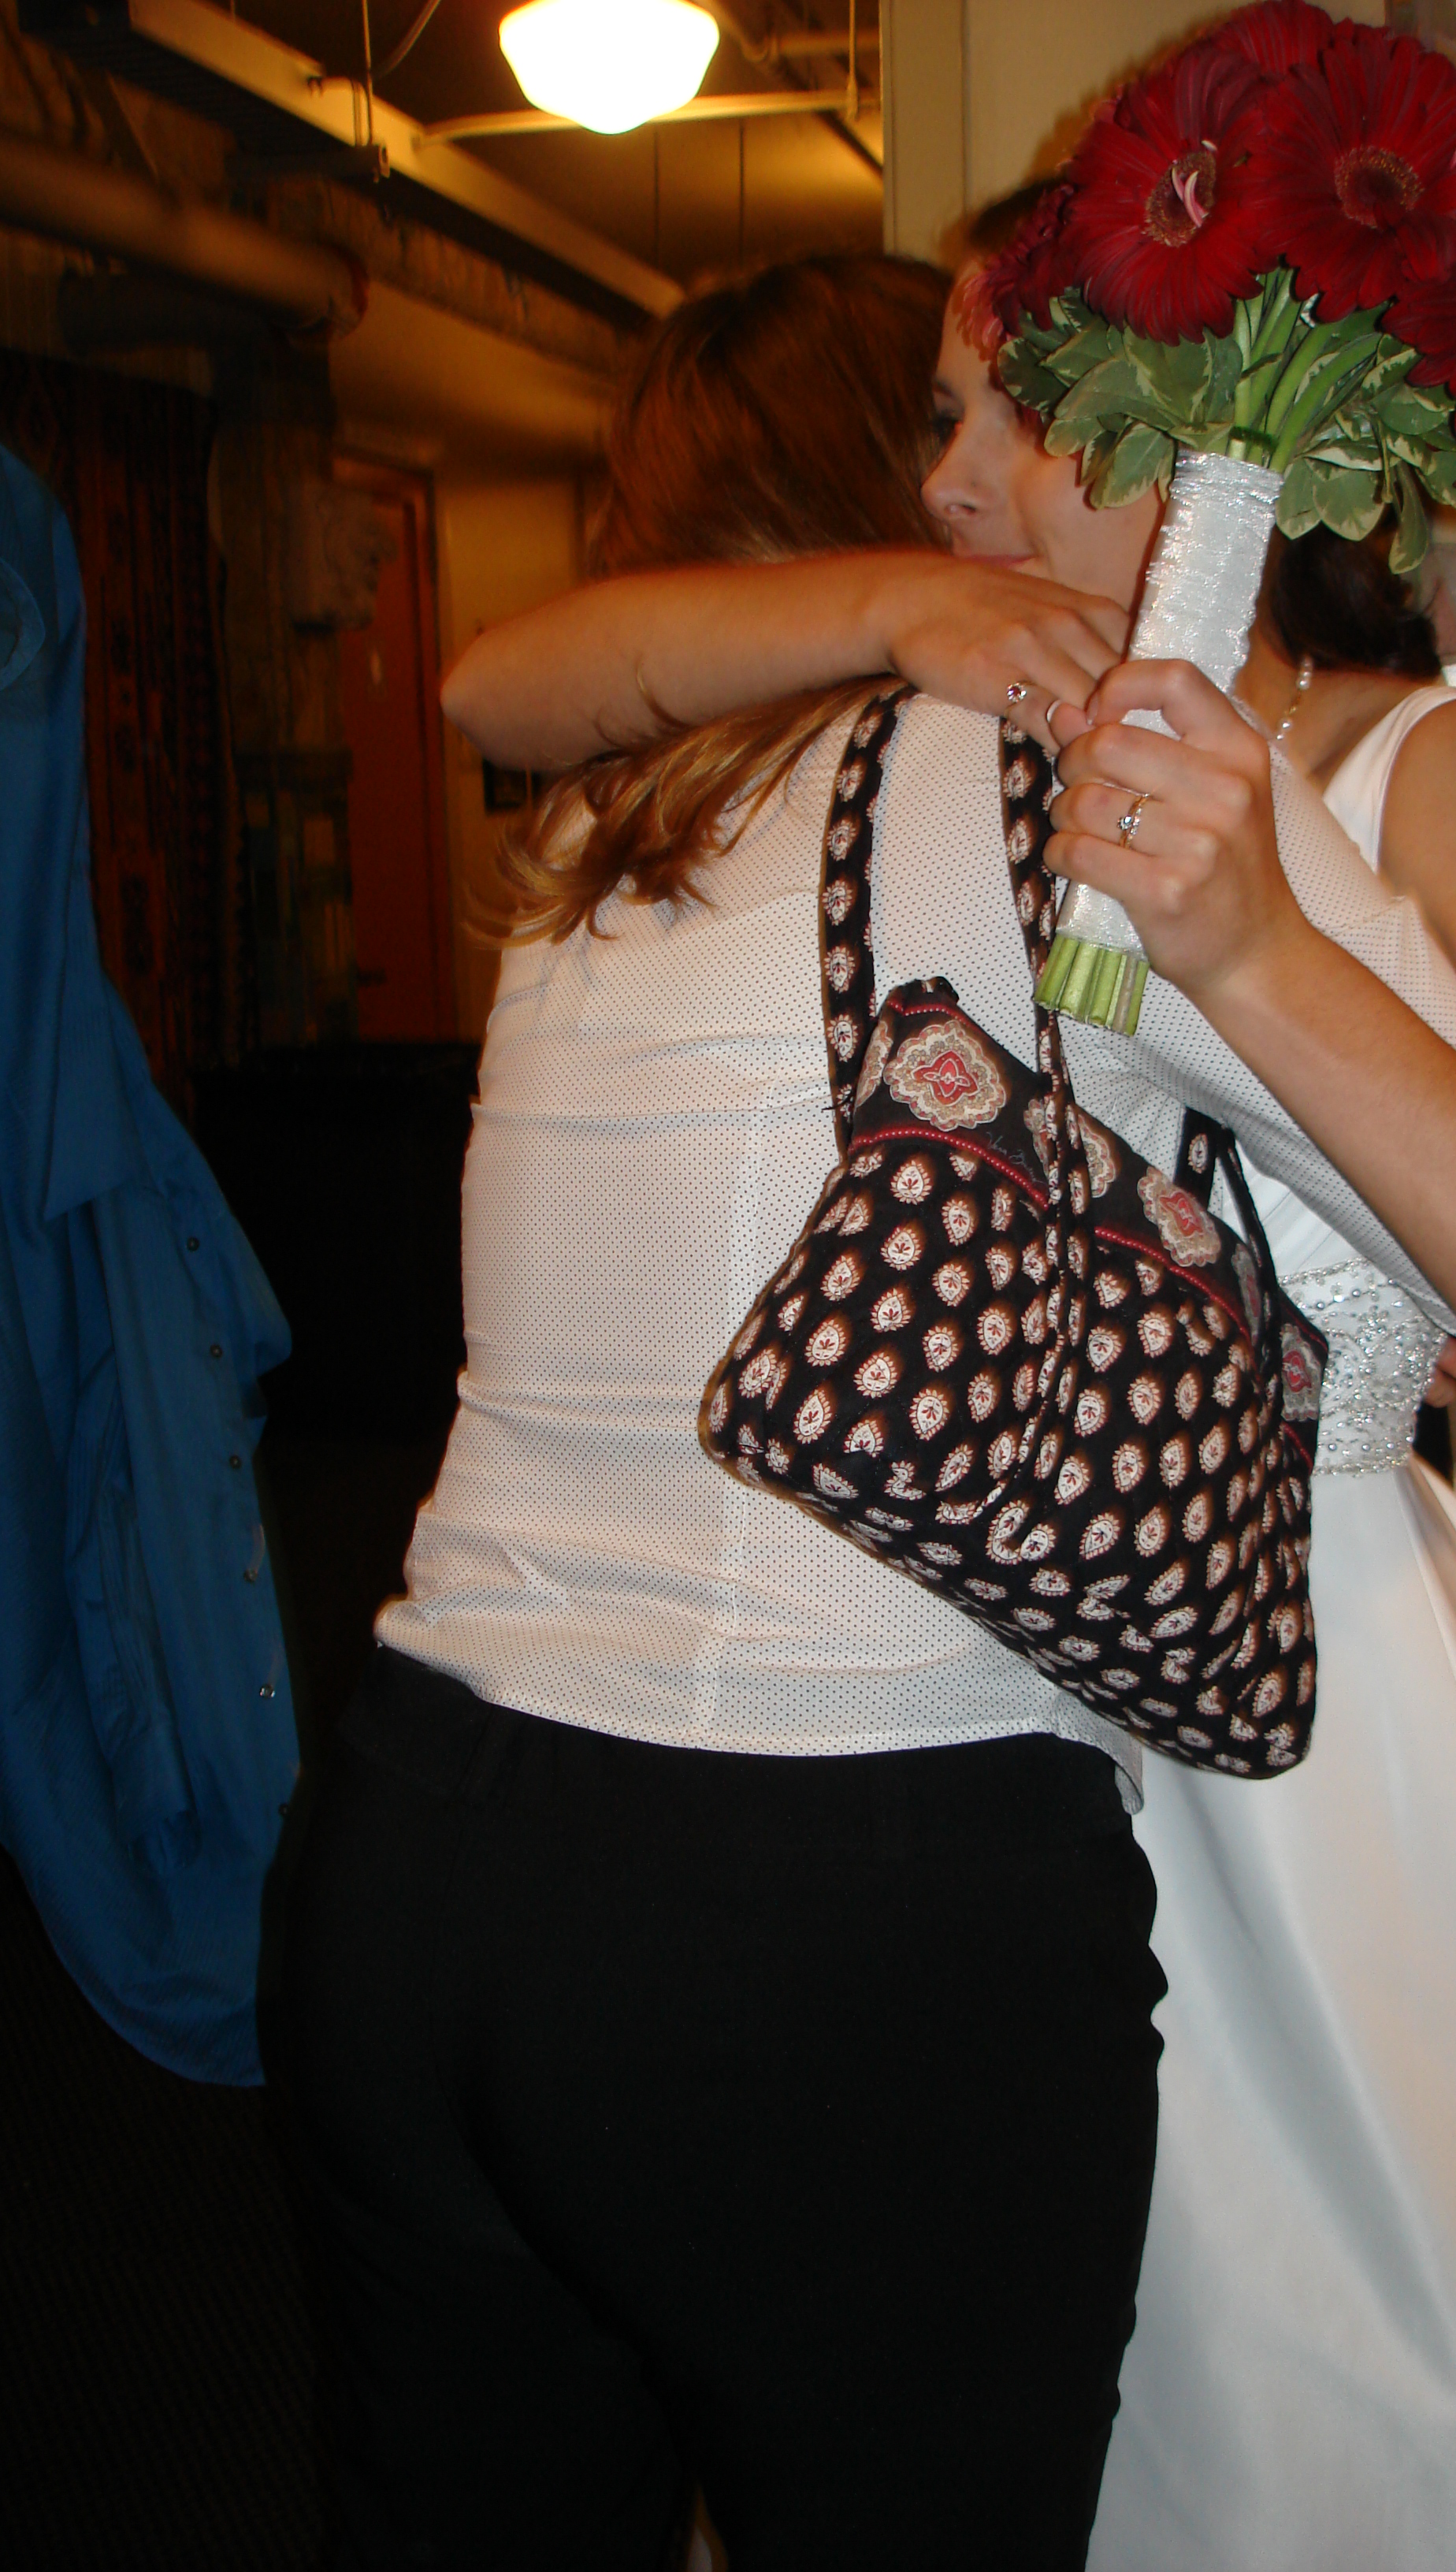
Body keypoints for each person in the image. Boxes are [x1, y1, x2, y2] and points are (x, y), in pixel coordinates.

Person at [443, 214, 1456, 2569]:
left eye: (1022, 413)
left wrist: (1259, 951)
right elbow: (512, 685)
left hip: (1303, 1765)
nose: (956, 480)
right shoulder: (907, 743)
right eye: (943, 416)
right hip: (918, 1734)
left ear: (1228, 431)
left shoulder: (1426, 764)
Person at [280, 255, 1172, 2572]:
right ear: (901, 479)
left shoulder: (597, 826)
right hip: (836, 1881)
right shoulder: (1032, 782)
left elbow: (504, 676)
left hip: (424, 1836)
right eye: (960, 420)